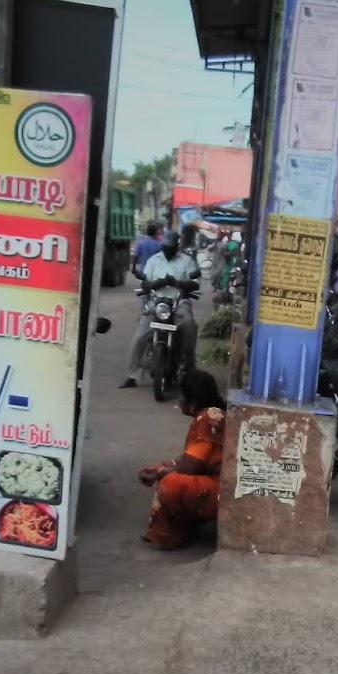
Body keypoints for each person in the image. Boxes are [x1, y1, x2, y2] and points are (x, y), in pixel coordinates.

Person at [139, 369, 226, 548]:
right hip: (215, 480)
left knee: (171, 483)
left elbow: (190, 467)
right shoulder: (209, 415)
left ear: (192, 400)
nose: (179, 400)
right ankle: (177, 528)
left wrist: (161, 473)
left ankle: (176, 533)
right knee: (162, 469)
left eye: (182, 394)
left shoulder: (209, 418)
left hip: (222, 489)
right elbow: (192, 459)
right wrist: (160, 468)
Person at [120, 229, 199, 387]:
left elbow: (195, 283)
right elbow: (145, 283)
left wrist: (178, 283)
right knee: (139, 337)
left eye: (171, 247)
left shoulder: (187, 261)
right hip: (156, 303)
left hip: (179, 302)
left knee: (190, 326)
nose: (168, 250)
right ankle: (133, 375)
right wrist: (160, 283)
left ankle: (187, 368)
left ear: (177, 246)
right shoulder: (153, 260)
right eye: (166, 246)